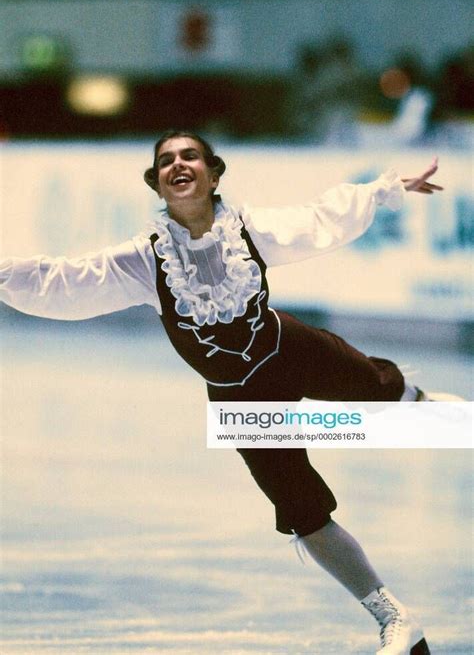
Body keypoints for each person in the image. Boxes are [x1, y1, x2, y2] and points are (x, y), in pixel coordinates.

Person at [1, 130, 447, 654]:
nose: (178, 164)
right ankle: (396, 620)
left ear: (214, 174)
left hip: (290, 349)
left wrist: (385, 189)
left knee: (385, 389)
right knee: (300, 509)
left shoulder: (250, 230)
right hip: (239, 399)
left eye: (190, 155)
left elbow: (320, 218)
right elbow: (66, 281)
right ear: (157, 184)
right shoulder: (146, 260)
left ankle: (438, 410)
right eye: (165, 161)